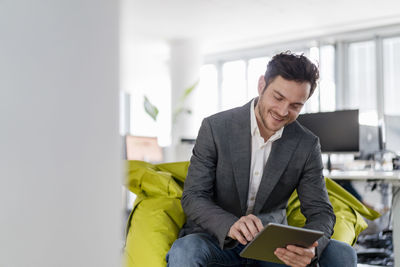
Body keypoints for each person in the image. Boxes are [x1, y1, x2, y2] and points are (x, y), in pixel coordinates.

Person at [167, 52, 357, 267]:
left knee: (342, 253)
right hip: (216, 239)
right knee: (185, 251)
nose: (283, 111)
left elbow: (320, 211)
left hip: (273, 246)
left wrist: (311, 249)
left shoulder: (306, 144)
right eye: (278, 97)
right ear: (261, 85)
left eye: (296, 105)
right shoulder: (215, 128)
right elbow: (193, 197)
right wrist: (231, 224)